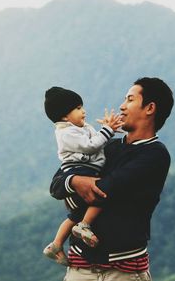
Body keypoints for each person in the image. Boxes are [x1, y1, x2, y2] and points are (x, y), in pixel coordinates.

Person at [49, 77, 174, 281]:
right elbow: (56, 186)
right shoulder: (108, 146)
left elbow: (104, 190)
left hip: (123, 271)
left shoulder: (154, 154)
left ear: (150, 108)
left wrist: (74, 183)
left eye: (130, 100)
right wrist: (74, 181)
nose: (122, 106)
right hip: (80, 269)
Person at [43, 86, 124, 266]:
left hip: (85, 169)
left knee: (75, 214)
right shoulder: (66, 132)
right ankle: (84, 226)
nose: (83, 111)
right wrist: (107, 130)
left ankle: (55, 245)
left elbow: (99, 141)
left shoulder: (81, 127)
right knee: (101, 194)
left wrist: (109, 130)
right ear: (65, 116)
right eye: (78, 108)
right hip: (78, 170)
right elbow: (91, 146)